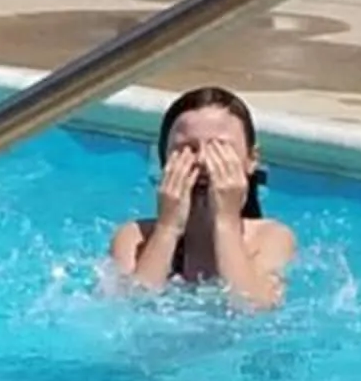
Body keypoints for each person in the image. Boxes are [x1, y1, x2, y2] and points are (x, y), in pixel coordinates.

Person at [107, 87, 296, 311]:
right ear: (164, 160)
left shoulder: (270, 238)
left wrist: (226, 222)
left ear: (251, 159)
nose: (204, 161)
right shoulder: (134, 238)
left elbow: (252, 312)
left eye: (220, 149)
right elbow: (130, 313)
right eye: (186, 149)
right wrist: (167, 229)